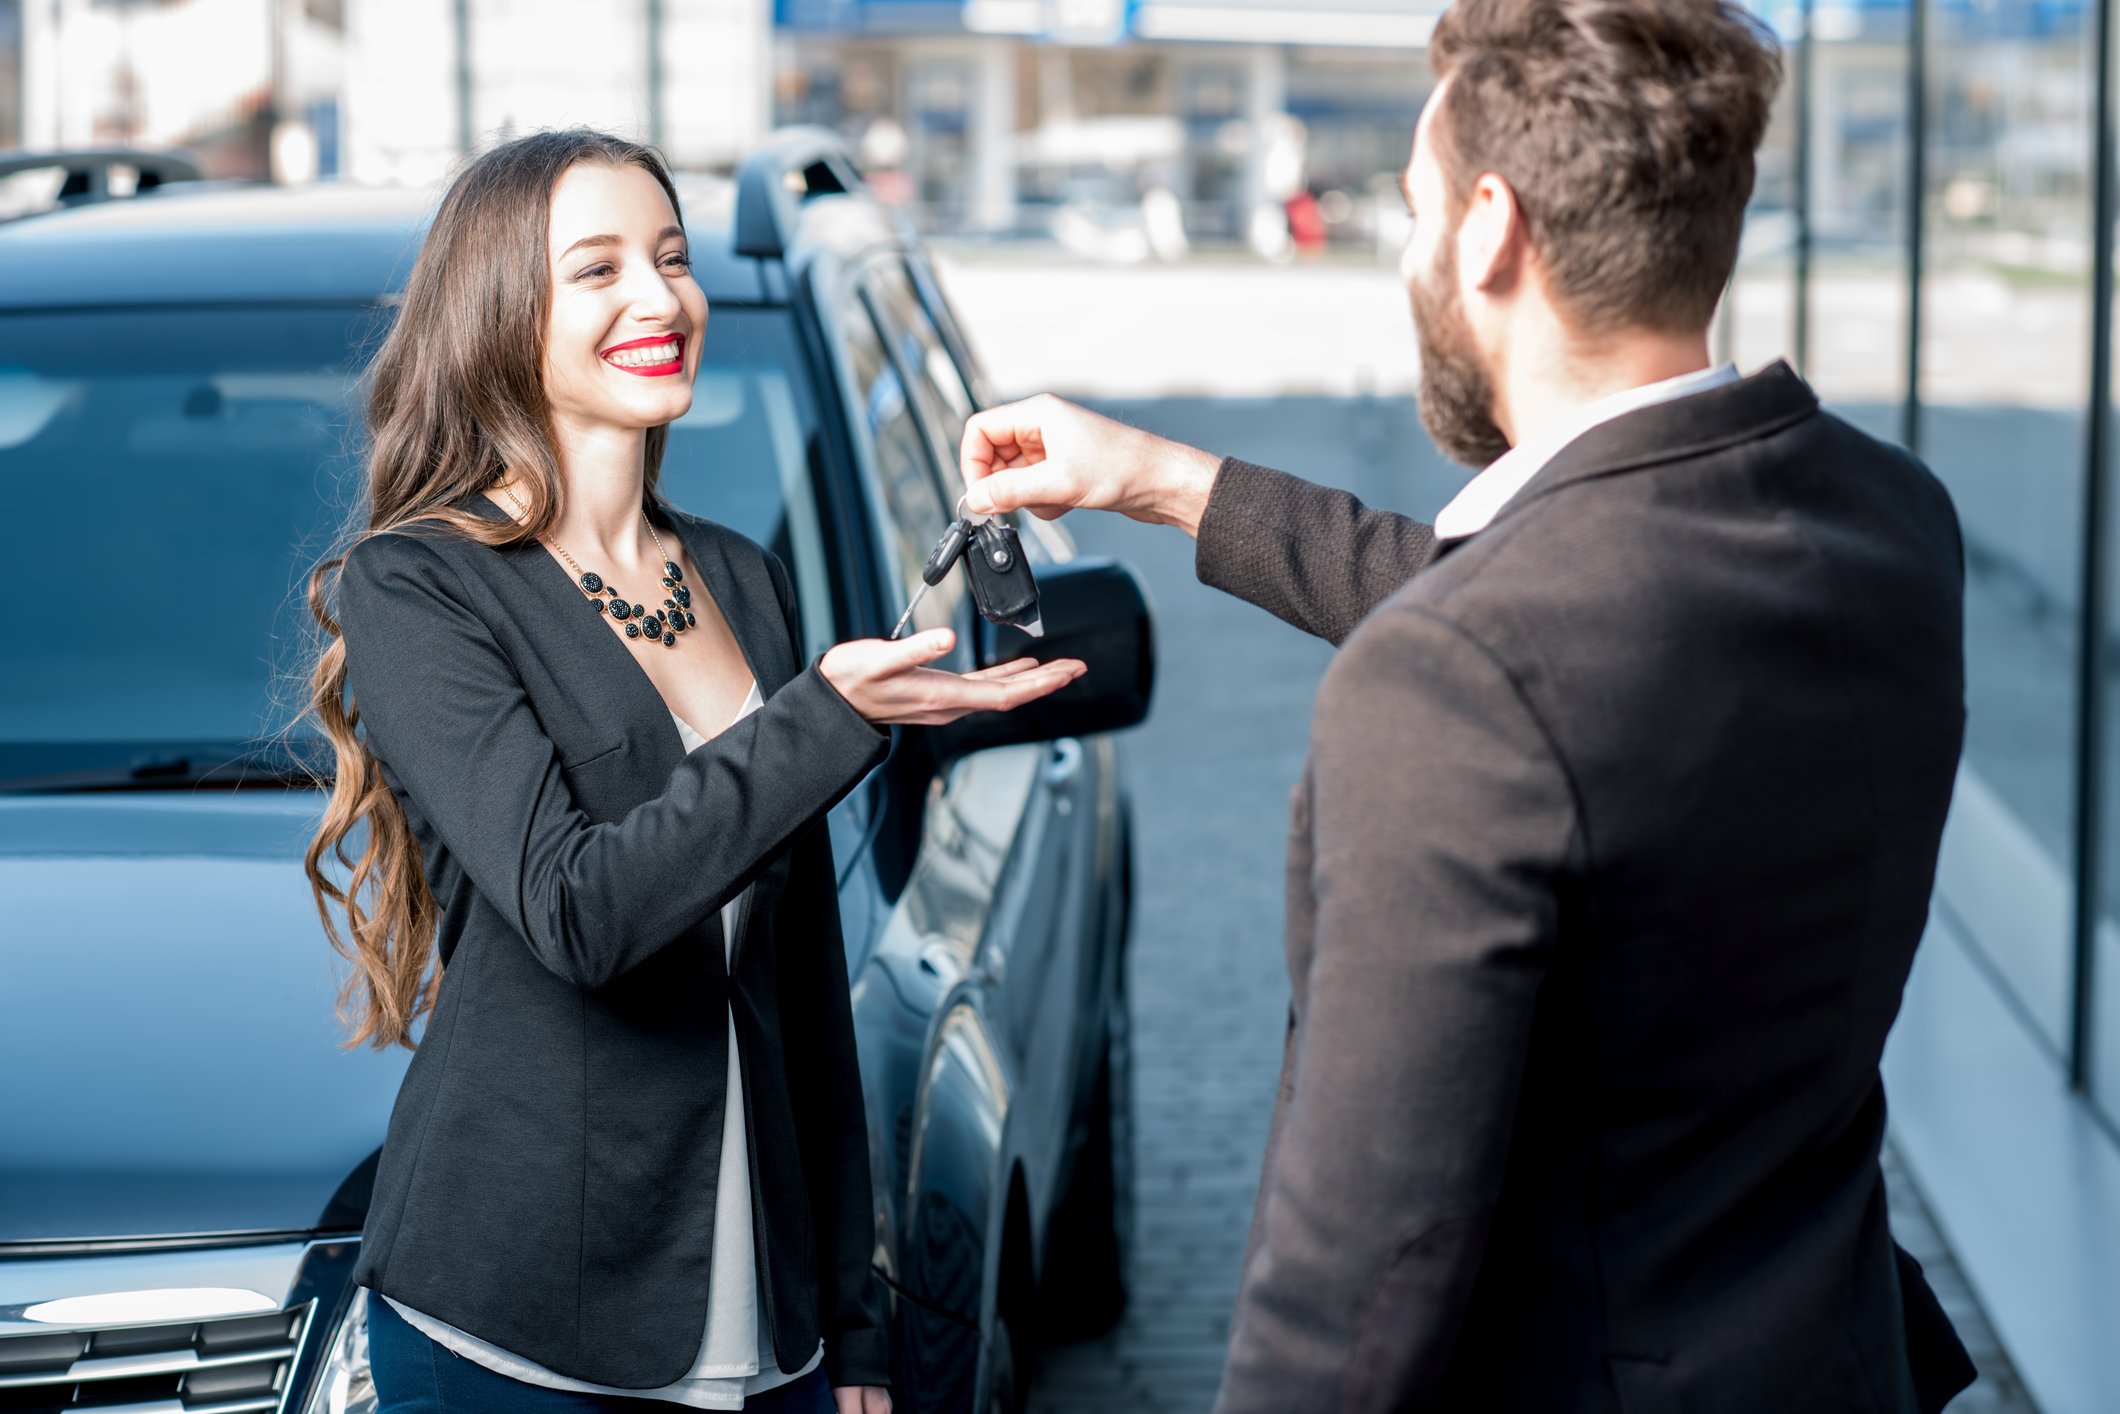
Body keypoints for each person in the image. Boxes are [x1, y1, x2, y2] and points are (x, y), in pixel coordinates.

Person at [957, 0, 1978, 1409]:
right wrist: (1156, 475)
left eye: (1414, 206)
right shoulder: (1888, 521)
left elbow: (1361, 1276)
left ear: (1491, 229)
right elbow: (1548, 626)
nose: (1407, 249)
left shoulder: (1460, 680)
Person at [302, 129, 1083, 1414]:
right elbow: (579, 912)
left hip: (767, 1330)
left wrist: (853, 1321)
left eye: (671, 259)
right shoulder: (421, 586)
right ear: (503, 310)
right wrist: (826, 717)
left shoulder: (740, 580)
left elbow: (800, 984)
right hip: (522, 1331)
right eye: (598, 269)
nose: (660, 299)